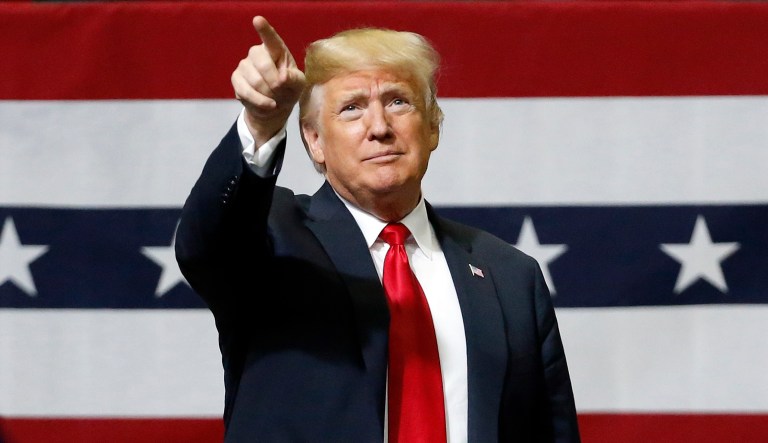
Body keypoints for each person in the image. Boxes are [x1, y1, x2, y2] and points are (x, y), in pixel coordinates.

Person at [176, 15, 580, 443]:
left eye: (398, 102)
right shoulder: (273, 233)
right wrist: (261, 124)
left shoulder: (511, 276)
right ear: (314, 141)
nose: (380, 128)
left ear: (432, 128)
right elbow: (206, 244)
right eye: (351, 108)